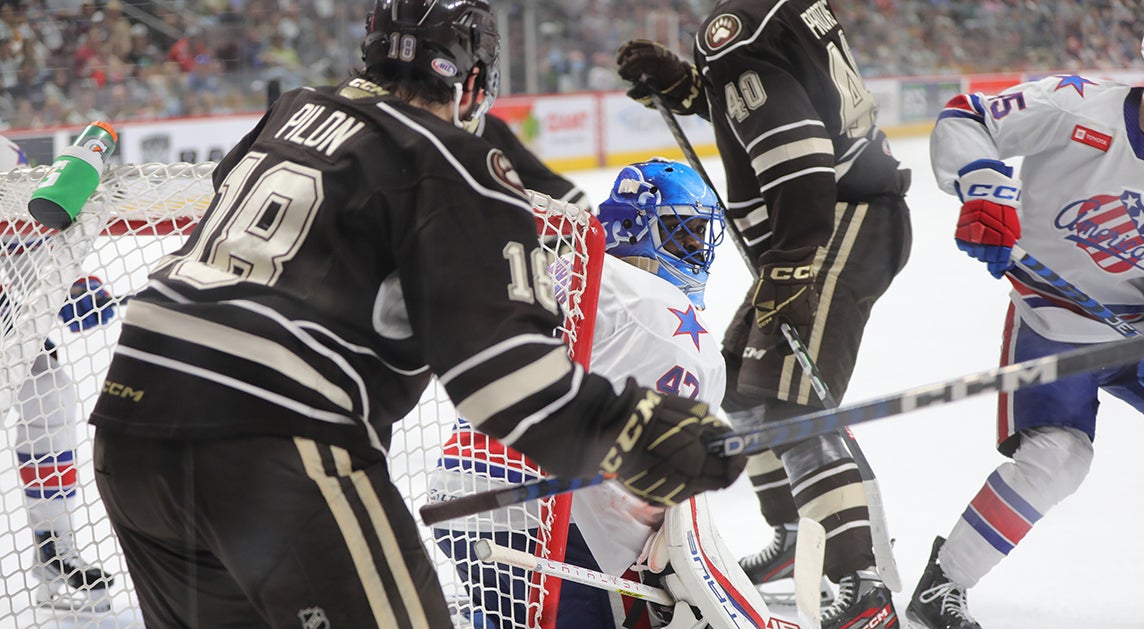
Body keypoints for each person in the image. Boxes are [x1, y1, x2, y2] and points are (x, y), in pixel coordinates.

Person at [84, 1, 746, 627]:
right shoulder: (456, 161)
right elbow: (502, 378)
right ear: (472, 79)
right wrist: (633, 429)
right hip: (272, 441)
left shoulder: (290, 110)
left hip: (129, 430)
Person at [615, 1, 912, 626]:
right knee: (742, 385)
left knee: (791, 399)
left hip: (833, 221)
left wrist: (792, 266)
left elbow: (799, 153)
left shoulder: (738, 23)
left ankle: (862, 585)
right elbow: (779, 101)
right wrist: (689, 88)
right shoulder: (782, 10)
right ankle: (793, 538)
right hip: (839, 218)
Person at [905, 5, 1144, 628]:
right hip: (1053, 322)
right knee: (1060, 457)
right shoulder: (1074, 106)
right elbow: (967, 117)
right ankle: (943, 584)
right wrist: (982, 187)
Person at [433, 158, 776, 629]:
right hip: (534, 517)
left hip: (463, 486)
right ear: (636, 228)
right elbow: (653, 475)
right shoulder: (663, 314)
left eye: (701, 234)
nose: (697, 249)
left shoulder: (567, 268)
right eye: (683, 232)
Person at [0, 136, 118, 611]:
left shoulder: (5, 156)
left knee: (47, 387)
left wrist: (69, 291)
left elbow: (26, 248)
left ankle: (54, 549)